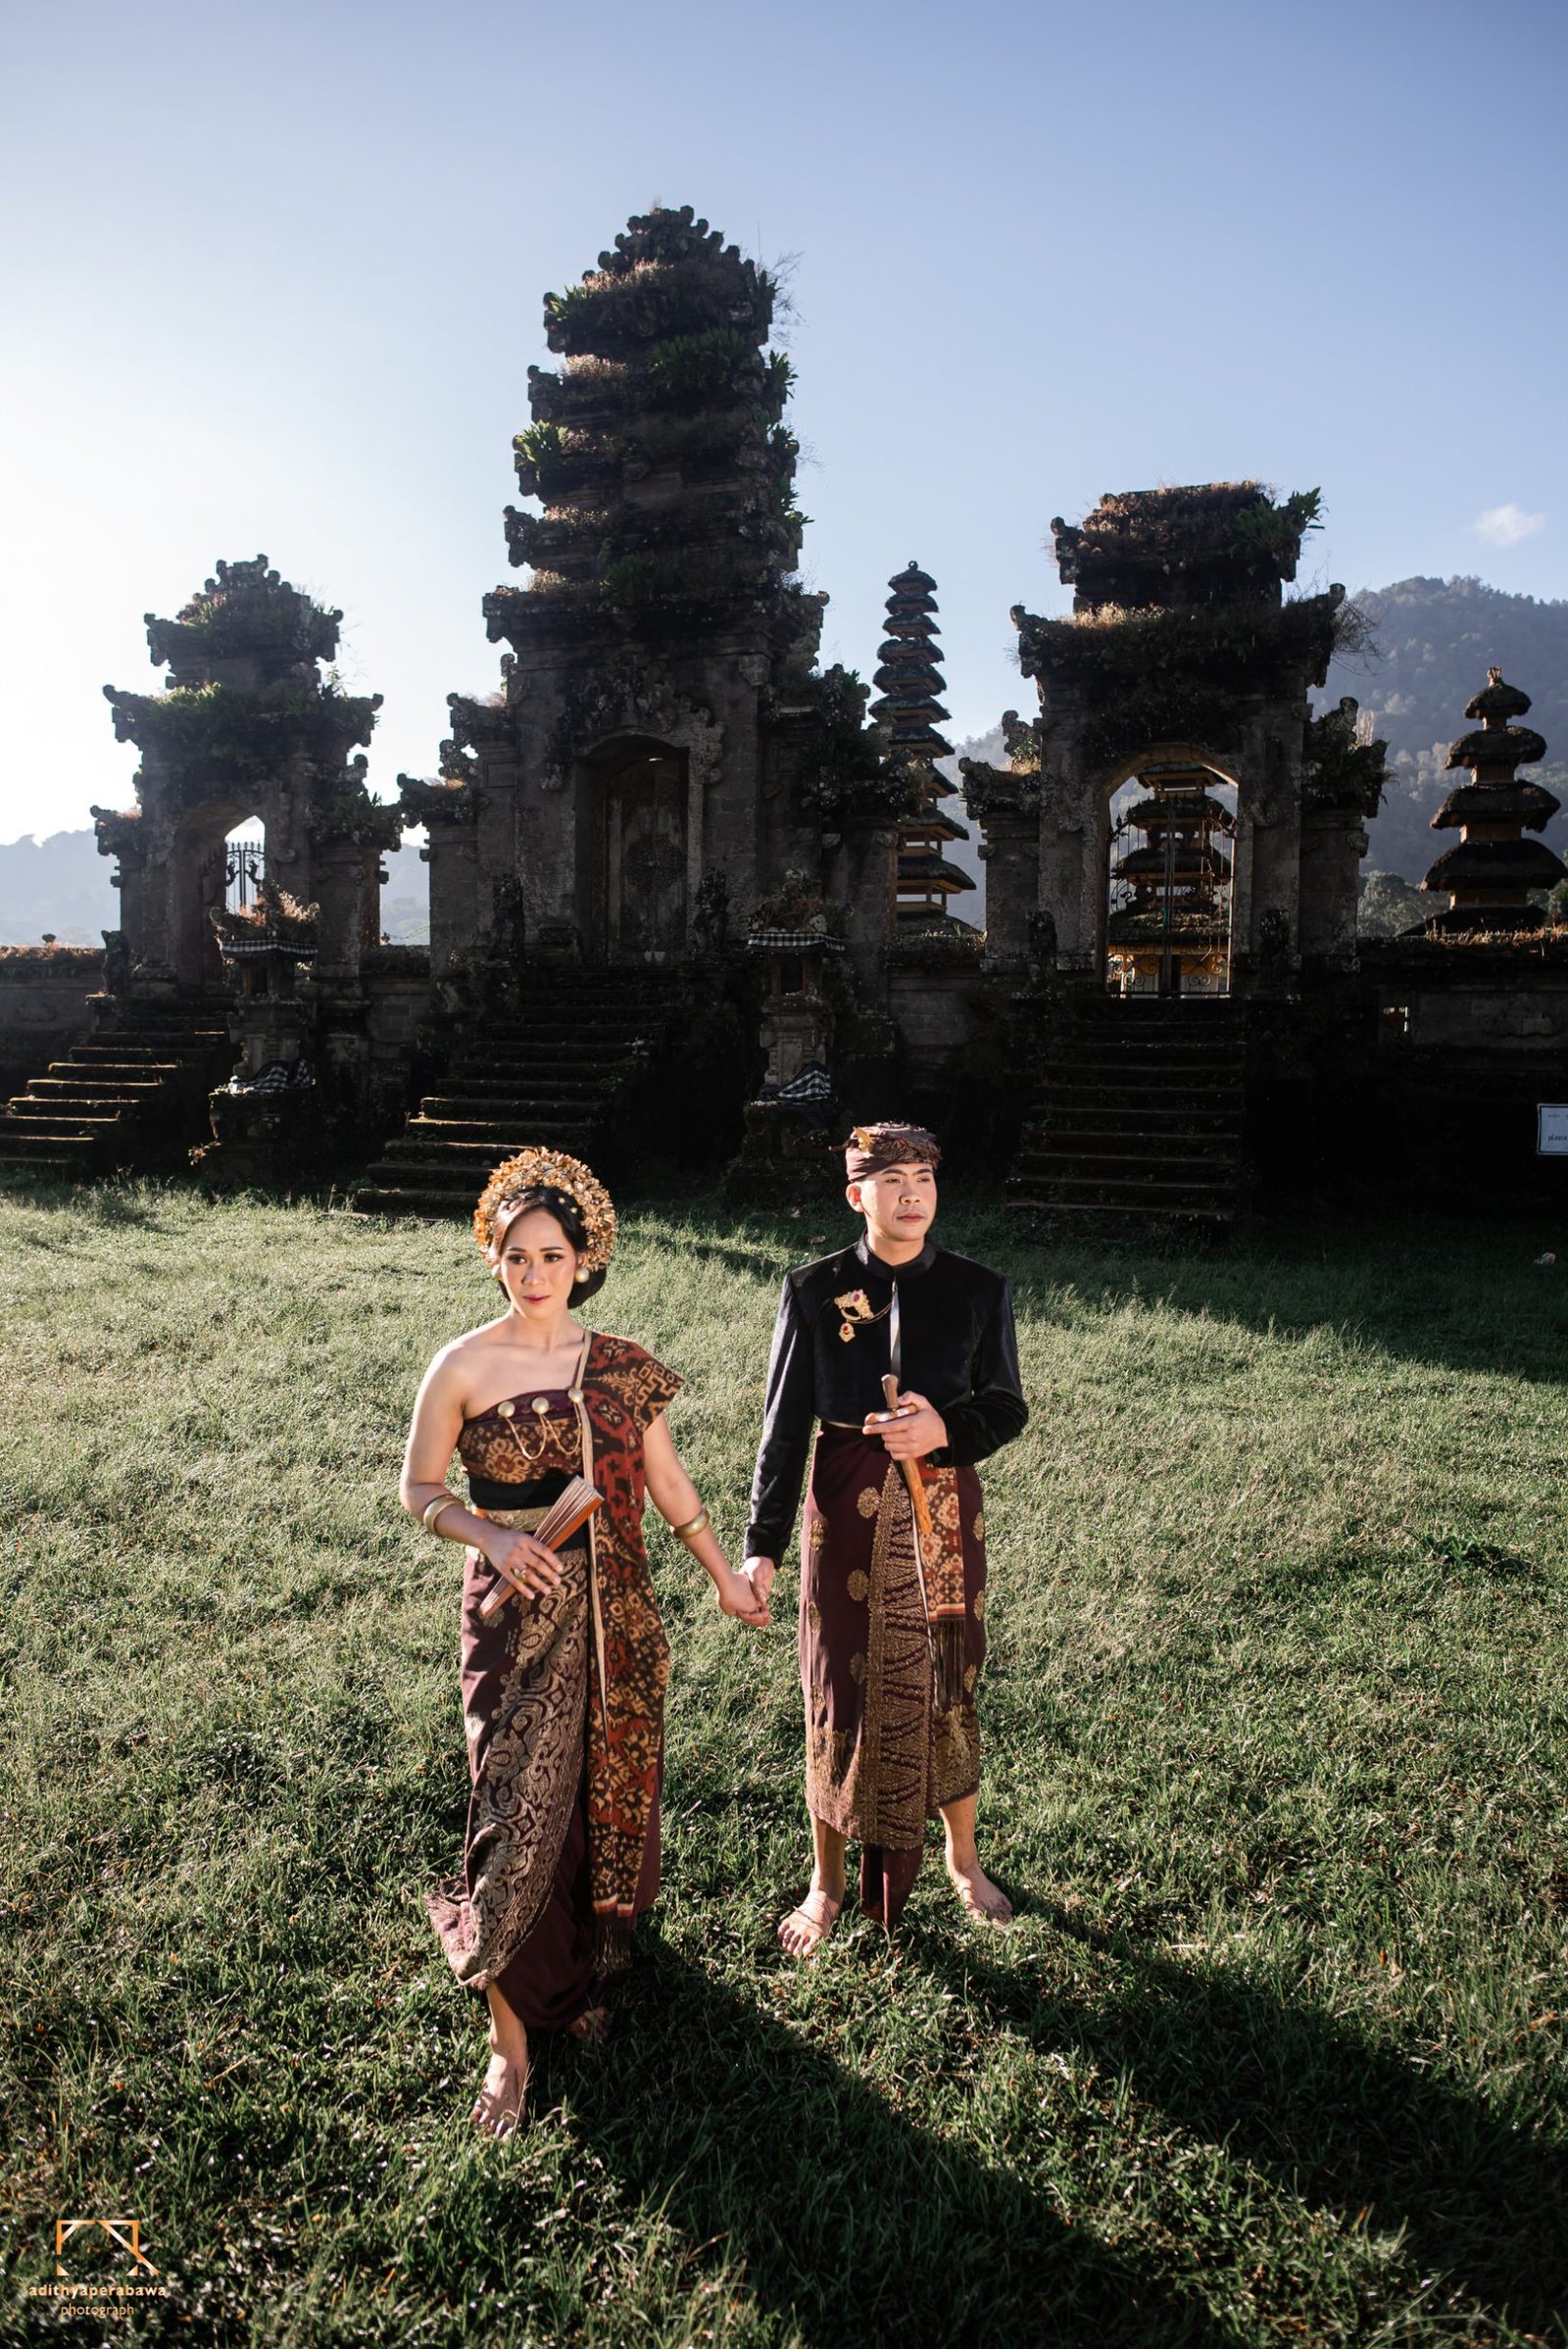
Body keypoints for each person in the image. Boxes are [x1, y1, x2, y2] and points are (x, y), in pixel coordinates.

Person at [402, 1147, 768, 2137]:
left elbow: (669, 1484)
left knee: (599, 1799)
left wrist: (724, 1576)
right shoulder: (462, 1364)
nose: (533, 1274)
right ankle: (508, 2039)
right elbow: (419, 1489)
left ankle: (578, 1971)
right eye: (516, 1256)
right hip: (511, 1615)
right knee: (513, 1807)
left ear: (584, 1259)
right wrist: (489, 1536)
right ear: (493, 1257)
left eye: (552, 1256)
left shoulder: (620, 1366)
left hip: (616, 1615)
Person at [742, 1122, 1027, 1955]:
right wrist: (762, 1544)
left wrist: (944, 1428)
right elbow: (782, 1428)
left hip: (944, 1509)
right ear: (855, 1194)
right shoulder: (813, 1288)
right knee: (839, 1685)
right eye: (893, 1180)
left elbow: (1006, 1405)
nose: (912, 1195)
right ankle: (826, 1881)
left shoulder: (978, 1289)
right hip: (844, 1509)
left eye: (925, 1179)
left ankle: (963, 1859)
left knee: (949, 1673)